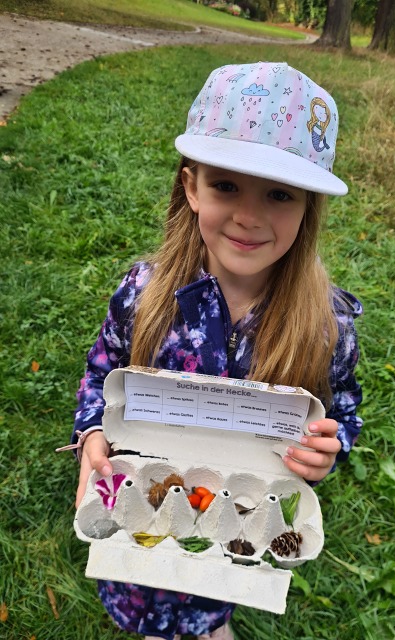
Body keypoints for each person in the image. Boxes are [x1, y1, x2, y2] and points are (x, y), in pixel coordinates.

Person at [71, 61, 363, 640]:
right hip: (141, 501)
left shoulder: (325, 325)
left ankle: (208, 625)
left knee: (210, 592)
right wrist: (93, 433)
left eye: (279, 194)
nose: (249, 217)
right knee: (144, 584)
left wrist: (329, 449)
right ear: (191, 187)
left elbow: (344, 410)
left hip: (236, 524)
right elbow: (101, 372)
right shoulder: (144, 295)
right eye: (226, 185)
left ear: (307, 207)